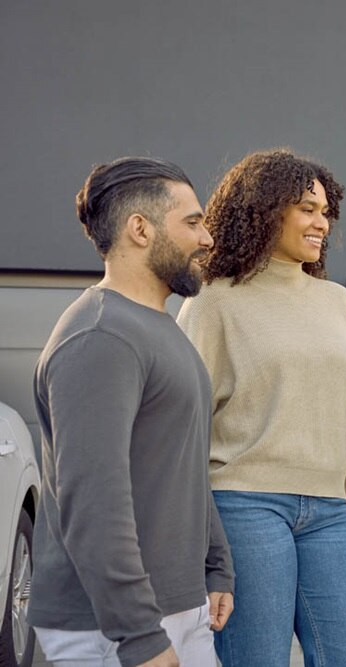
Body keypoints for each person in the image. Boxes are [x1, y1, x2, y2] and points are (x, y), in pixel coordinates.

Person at [177, 149, 346, 666]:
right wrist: (203, 547)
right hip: (242, 506)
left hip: (329, 512)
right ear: (264, 210)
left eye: (325, 212)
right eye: (307, 208)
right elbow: (183, 423)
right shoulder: (215, 300)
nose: (321, 223)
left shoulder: (338, 304)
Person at [29, 157, 235, 667]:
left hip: (176, 609)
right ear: (139, 229)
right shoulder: (100, 336)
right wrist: (141, 637)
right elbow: (94, 500)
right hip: (111, 629)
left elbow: (181, 462)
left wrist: (215, 568)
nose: (207, 238)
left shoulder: (160, 329)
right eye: (192, 222)